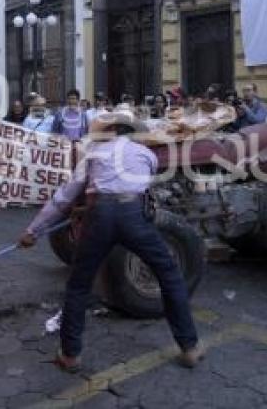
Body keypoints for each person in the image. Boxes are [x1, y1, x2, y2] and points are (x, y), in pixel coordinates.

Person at [17, 112, 203, 371]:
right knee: (169, 275)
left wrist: (33, 232)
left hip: (100, 217)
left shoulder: (93, 154)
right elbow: (136, 188)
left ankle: (70, 356)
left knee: (79, 285)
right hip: (133, 216)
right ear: (131, 132)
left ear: (109, 131)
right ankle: (189, 348)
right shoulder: (145, 154)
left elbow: (64, 198)